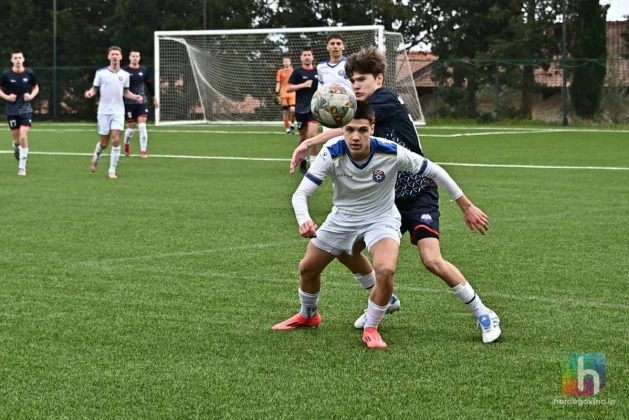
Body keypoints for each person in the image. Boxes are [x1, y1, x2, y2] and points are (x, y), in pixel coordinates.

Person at [290, 47, 500, 343]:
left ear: (379, 79)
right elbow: (349, 128)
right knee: (346, 250)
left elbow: (346, 126)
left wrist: (465, 205)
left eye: (362, 79)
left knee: (431, 260)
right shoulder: (364, 110)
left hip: (416, 192)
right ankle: (384, 299)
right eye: (352, 81)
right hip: (387, 199)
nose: (356, 86)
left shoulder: (384, 99)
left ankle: (484, 312)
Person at [273, 101, 485, 349]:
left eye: (362, 130)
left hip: (381, 219)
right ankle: (308, 315)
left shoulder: (391, 151)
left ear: (372, 129)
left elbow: (435, 171)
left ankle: (371, 327)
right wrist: (305, 220)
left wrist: (466, 206)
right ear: (342, 129)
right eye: (350, 130)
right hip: (342, 219)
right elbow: (301, 194)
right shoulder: (332, 150)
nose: (355, 137)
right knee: (308, 268)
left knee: (385, 269)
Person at [85, 46, 143, 179]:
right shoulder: (101, 73)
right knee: (104, 143)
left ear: (121, 57)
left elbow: (126, 92)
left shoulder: (125, 75)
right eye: (113, 54)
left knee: (116, 139)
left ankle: (112, 171)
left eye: (117, 54)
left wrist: (136, 97)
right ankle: (97, 154)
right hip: (103, 112)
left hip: (118, 111)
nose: (115, 56)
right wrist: (90, 93)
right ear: (109, 57)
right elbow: (94, 89)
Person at [0, 49, 39, 176]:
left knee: (23, 136)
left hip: (25, 108)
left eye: (19, 58)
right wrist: (7, 97)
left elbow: (36, 87)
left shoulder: (29, 73)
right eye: (15, 58)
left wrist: (31, 96)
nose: (18, 60)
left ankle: (22, 168)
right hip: (12, 110)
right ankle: (16, 146)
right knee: (17, 140)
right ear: (12, 60)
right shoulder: (6, 74)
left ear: (23, 59)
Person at [286, 48, 318, 174]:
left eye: (309, 55)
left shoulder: (318, 71)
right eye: (305, 55)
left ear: (312, 57)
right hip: (301, 109)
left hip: (314, 108)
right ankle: (302, 159)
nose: (307, 57)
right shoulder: (297, 72)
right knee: (303, 137)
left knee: (313, 135)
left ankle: (314, 164)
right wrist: (303, 85)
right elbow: (288, 88)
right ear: (301, 57)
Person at [121, 49, 158, 158]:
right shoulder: (124, 70)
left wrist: (154, 98)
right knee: (131, 129)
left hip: (142, 101)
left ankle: (143, 151)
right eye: (133, 56)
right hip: (129, 102)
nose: (135, 58)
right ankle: (126, 143)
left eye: (137, 56)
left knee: (142, 126)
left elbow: (149, 84)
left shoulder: (143, 70)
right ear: (129, 57)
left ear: (140, 57)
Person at [275, 57, 296, 135]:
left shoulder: (294, 71)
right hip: (283, 93)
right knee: (285, 112)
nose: (286, 63)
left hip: (292, 93)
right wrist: (277, 93)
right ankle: (287, 129)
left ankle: (292, 124)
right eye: (285, 61)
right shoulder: (280, 71)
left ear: (290, 62)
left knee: (293, 110)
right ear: (283, 63)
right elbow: (278, 82)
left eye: (287, 61)